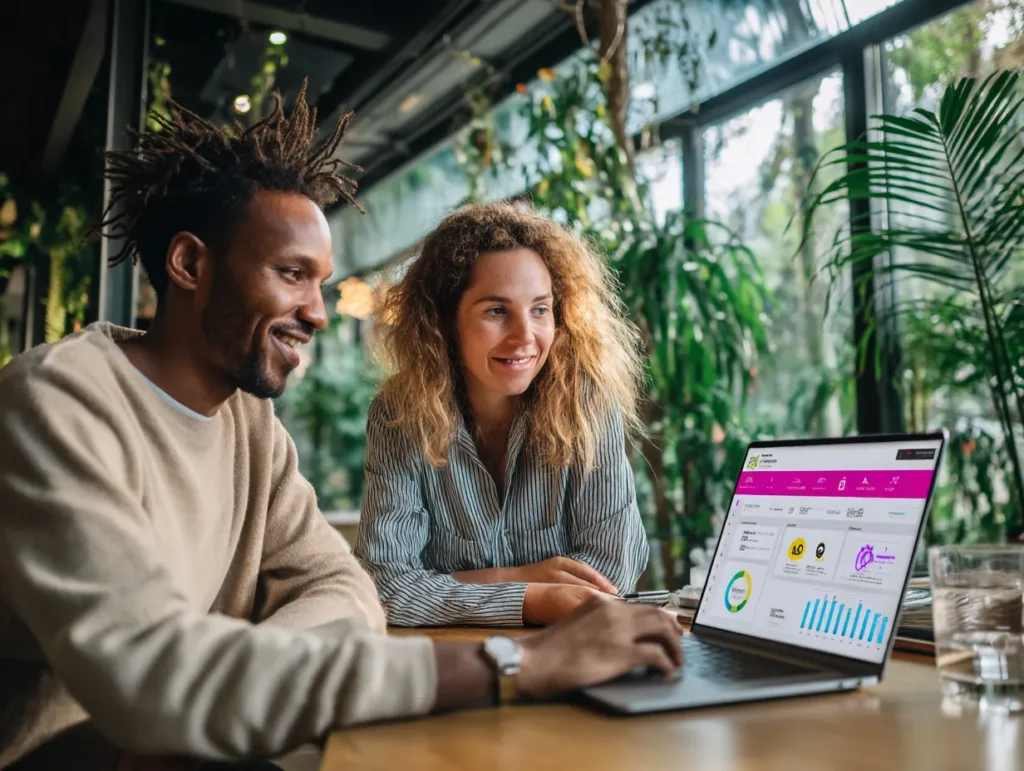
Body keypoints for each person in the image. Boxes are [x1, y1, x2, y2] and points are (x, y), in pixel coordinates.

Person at [0, 88, 682, 770]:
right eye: (291, 274)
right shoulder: (57, 402)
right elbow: (152, 681)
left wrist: (230, 686)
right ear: (190, 265)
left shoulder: (250, 423)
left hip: (202, 746)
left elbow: (348, 592)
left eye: (320, 282)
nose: (319, 313)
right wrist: (514, 660)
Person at [354, 202, 650, 628]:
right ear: (445, 321)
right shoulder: (399, 414)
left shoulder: (586, 403)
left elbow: (608, 576)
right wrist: (525, 586)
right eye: (497, 311)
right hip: (449, 660)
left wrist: (456, 586)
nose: (525, 336)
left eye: (540, 309)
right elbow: (383, 588)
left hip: (567, 653)